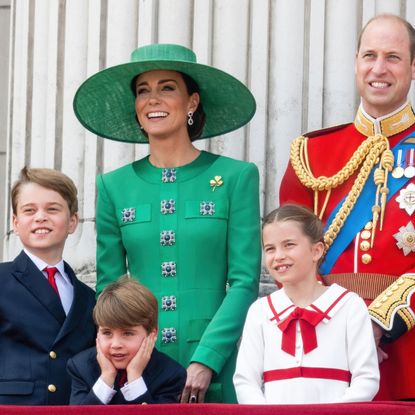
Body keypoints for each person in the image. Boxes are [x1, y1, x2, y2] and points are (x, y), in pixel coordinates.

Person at [73, 43, 261, 403]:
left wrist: (208, 358)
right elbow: (108, 287)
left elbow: (244, 281)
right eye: (143, 91)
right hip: (139, 367)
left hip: (215, 367)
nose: (153, 100)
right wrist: (122, 353)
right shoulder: (112, 186)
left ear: (192, 101)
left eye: (167, 88)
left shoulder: (236, 177)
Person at [280, 14, 415, 400]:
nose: (379, 68)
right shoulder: (311, 153)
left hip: (406, 354)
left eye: (393, 57)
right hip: (326, 346)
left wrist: (378, 323)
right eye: (369, 55)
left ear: (413, 67)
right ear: (356, 62)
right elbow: (288, 255)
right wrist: (337, 324)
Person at [233, 204, 379, 404]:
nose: (278, 256)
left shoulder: (349, 306)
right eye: (270, 248)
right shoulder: (260, 311)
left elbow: (366, 379)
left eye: (289, 245)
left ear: (316, 250)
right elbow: (245, 381)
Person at [0, 167, 96, 405]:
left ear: (72, 221)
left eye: (52, 209)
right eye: (29, 210)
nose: (40, 217)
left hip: (71, 407)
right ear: (15, 222)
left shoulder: (88, 297)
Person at [67, 276, 186, 405]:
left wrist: (135, 378)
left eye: (127, 333)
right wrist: (106, 377)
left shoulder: (170, 374)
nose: (116, 344)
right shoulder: (81, 367)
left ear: (152, 333)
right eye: (107, 333)